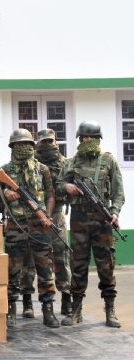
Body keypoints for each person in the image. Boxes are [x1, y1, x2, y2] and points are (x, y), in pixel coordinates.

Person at [56, 121, 125, 328]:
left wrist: (114, 212)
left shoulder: (108, 160)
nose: (87, 140)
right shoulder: (71, 162)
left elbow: (118, 192)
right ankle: (76, 310)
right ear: (79, 139)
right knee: (78, 264)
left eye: (91, 137)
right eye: (84, 137)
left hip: (102, 220)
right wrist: (67, 186)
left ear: (98, 139)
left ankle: (110, 309)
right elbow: (58, 186)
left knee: (106, 265)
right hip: (79, 219)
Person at [0, 129, 59, 328]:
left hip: (39, 226)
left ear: (33, 147)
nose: (22, 148)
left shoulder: (42, 169)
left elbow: (51, 196)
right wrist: (6, 192)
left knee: (44, 268)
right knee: (13, 270)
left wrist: (47, 217)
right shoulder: (5, 171)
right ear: (12, 147)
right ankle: (10, 310)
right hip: (16, 226)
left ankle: (48, 310)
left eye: (26, 144)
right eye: (18, 144)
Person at [19, 129, 72, 318]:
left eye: (50, 142)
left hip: (56, 214)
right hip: (34, 216)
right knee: (30, 258)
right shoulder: (30, 164)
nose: (47, 145)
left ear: (55, 142)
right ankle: (27, 300)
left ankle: (66, 298)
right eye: (43, 142)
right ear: (37, 144)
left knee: (61, 256)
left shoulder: (66, 163)